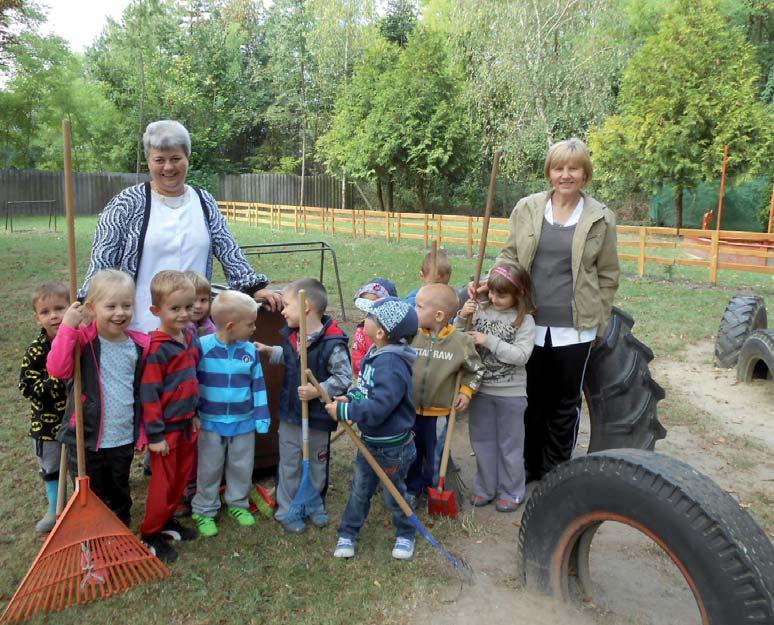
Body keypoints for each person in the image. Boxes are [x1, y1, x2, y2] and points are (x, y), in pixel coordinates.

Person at [470, 138, 619, 481]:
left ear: (585, 173)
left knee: (564, 404)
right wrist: (492, 284)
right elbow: (508, 256)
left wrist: (600, 321)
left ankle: (555, 474)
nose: (565, 175)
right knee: (530, 398)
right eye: (559, 168)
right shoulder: (528, 209)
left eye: (573, 168)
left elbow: (609, 274)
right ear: (549, 172)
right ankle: (525, 467)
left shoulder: (600, 217)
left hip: (574, 327)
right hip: (527, 321)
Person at [78, 119, 281, 334]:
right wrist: (87, 300)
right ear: (149, 161)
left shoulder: (204, 201)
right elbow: (103, 260)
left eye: (176, 158)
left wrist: (254, 287)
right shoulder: (126, 203)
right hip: (140, 329)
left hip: (193, 330)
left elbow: (227, 248)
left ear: (187, 158)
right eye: (159, 159)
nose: (168, 167)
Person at [47, 270, 149, 526]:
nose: (120, 312)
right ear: (91, 308)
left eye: (126, 305)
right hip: (86, 437)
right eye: (111, 306)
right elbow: (58, 369)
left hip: (122, 437)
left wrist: (142, 432)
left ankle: (120, 535)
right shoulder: (83, 341)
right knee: (91, 497)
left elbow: (142, 393)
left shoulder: (138, 346)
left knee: (119, 492)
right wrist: (68, 327)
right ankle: (92, 546)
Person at [255, 279, 351, 534]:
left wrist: (317, 390)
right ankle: (287, 509)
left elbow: (344, 378)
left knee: (317, 464)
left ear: (305, 306)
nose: (283, 311)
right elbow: (289, 359)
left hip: (317, 418)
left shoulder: (333, 344)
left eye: (286, 305)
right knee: (290, 463)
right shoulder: (292, 338)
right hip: (290, 415)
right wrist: (267, 350)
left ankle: (312, 504)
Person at [326, 297, 419, 561]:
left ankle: (406, 534)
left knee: (393, 494)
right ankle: (348, 532)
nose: (363, 318)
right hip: (371, 441)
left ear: (380, 332)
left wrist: (344, 412)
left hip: (392, 448)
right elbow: (368, 390)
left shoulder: (390, 363)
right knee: (360, 489)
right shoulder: (377, 353)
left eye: (369, 316)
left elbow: (379, 407)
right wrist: (352, 398)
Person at [191, 290, 271, 538]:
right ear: (230, 325)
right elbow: (191, 383)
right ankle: (204, 509)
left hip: (243, 422)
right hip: (210, 422)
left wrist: (261, 416)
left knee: (241, 466)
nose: (254, 328)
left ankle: (238, 503)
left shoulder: (249, 352)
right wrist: (192, 413)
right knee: (209, 467)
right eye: (250, 324)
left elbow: (258, 385)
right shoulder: (201, 348)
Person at [458, 263, 536, 511]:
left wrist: (488, 340)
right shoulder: (479, 311)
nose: (493, 298)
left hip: (510, 393)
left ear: (518, 294)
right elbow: (457, 338)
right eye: (491, 292)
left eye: (501, 295)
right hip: (480, 390)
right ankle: (485, 488)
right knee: (482, 441)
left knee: (510, 445)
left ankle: (512, 491)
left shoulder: (525, 321)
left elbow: (521, 356)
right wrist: (462, 317)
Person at [139, 270, 201, 563]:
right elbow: (149, 395)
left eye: (188, 307)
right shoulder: (156, 348)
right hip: (165, 432)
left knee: (179, 479)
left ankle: (167, 522)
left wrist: (195, 413)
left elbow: (192, 378)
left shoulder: (190, 335)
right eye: (175, 308)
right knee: (163, 483)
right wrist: (155, 436)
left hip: (187, 423)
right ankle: (150, 532)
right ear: (156, 310)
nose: (184, 314)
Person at [406, 283, 484, 505]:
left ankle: (433, 490)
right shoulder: (412, 336)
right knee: (411, 453)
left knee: (435, 456)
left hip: (440, 414)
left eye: (419, 307)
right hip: (410, 409)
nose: (414, 311)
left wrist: (466, 392)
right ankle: (411, 490)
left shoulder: (460, 342)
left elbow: (476, 370)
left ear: (439, 315)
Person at [19, 281, 70, 532]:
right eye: (46, 312)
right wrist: (56, 382)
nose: (54, 316)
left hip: (76, 418)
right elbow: (26, 385)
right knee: (51, 466)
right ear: (37, 318)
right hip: (47, 423)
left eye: (60, 308)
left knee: (80, 464)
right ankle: (55, 508)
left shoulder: (78, 341)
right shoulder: (37, 349)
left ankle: (79, 506)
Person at [351, 277, 398, 377]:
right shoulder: (362, 331)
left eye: (374, 307)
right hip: (365, 380)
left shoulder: (396, 332)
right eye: (366, 306)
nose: (369, 312)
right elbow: (356, 359)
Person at [184, 270, 216, 337]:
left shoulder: (207, 323)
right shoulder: (178, 329)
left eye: (203, 300)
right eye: (192, 300)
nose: (198, 306)